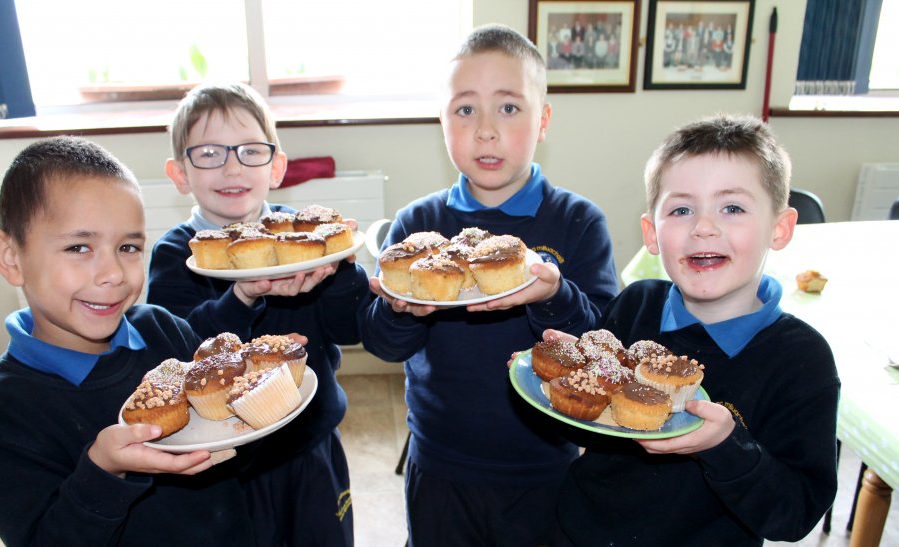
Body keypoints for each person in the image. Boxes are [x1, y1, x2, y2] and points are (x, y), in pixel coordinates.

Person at [359, 24, 619, 546]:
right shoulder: (418, 227)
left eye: (508, 107)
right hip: (440, 460)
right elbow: (384, 345)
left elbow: (603, 344)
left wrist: (555, 296)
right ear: (442, 123)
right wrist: (400, 310)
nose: (485, 130)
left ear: (543, 120)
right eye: (464, 109)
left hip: (546, 463)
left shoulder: (578, 222)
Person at [550, 114, 840, 546]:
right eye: (682, 209)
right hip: (581, 532)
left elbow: (793, 515)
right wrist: (567, 388)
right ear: (651, 233)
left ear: (779, 229)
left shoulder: (801, 361)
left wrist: (727, 445)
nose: (704, 227)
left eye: (733, 207)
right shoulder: (635, 307)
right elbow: (589, 432)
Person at [0, 136, 261, 545]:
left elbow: (234, 451)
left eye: (128, 247)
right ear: (11, 257)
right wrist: (103, 470)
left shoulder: (165, 330)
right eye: (79, 247)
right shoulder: (0, 409)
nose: (114, 274)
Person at [146, 81, 369, 546]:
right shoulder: (175, 254)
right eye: (208, 153)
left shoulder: (304, 239)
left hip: (310, 447)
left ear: (276, 166)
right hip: (226, 470)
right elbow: (179, 354)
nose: (231, 166)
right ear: (180, 173)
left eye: (250, 151)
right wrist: (241, 296)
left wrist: (341, 269)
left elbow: (351, 327)